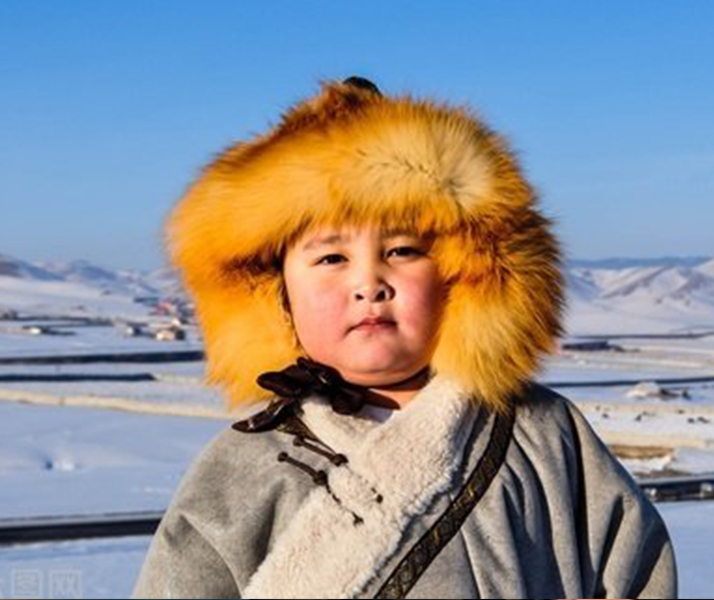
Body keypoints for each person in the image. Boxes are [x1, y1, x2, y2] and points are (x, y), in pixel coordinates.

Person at [133, 76, 678, 599]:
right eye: (331, 258)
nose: (369, 283)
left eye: (402, 251)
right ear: (275, 296)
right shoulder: (241, 469)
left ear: (466, 277)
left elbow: (637, 573)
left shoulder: (543, 433)